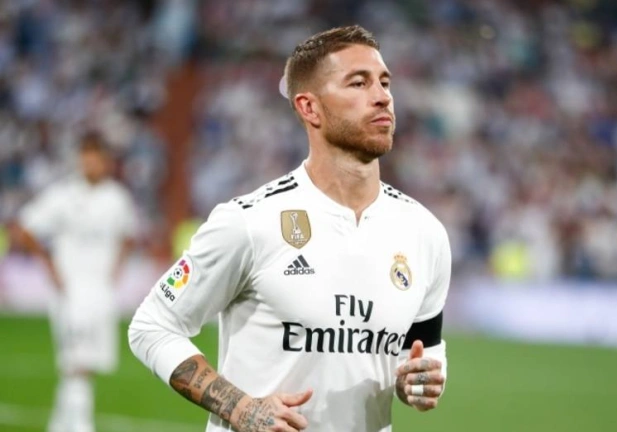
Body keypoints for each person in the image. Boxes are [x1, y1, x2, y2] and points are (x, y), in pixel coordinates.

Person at [129, 25, 451, 432]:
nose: (382, 96)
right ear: (309, 108)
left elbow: (425, 352)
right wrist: (239, 407)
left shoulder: (424, 233)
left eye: (384, 83)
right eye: (358, 83)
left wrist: (419, 381)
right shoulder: (249, 222)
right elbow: (152, 326)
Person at [17, 133, 137, 432]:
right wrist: (50, 266)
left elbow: (129, 235)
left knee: (85, 362)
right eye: (85, 159)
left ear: (106, 162)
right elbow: (25, 228)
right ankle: (83, 424)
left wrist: (115, 270)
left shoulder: (117, 198)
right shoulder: (63, 196)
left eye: (95, 159)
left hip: (100, 291)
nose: (90, 165)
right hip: (70, 290)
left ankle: (59, 425)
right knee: (77, 360)